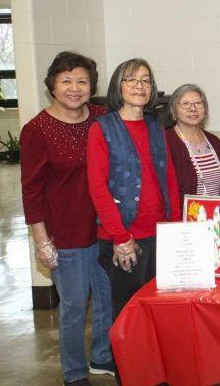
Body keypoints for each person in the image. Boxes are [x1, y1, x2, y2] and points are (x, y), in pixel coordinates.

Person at [20, 52, 114, 386]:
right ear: (52, 86)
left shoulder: (102, 118)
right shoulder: (37, 130)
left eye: (82, 80)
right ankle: (73, 373)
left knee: (107, 298)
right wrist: (42, 241)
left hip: (105, 228)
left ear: (92, 86)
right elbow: (31, 192)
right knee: (74, 308)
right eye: (66, 80)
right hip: (65, 234)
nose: (74, 88)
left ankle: (103, 357)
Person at [87, 58, 181, 320]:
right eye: (132, 79)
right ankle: (127, 364)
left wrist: (175, 227)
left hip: (160, 235)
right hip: (125, 238)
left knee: (160, 312)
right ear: (119, 85)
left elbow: (169, 178)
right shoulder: (102, 129)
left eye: (146, 80)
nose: (140, 86)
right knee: (130, 318)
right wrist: (120, 237)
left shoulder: (156, 127)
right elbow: (97, 188)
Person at [166, 84, 220, 207]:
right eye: (185, 104)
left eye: (198, 103)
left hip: (218, 219)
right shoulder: (166, 142)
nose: (193, 109)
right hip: (184, 222)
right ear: (173, 110)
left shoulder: (214, 142)